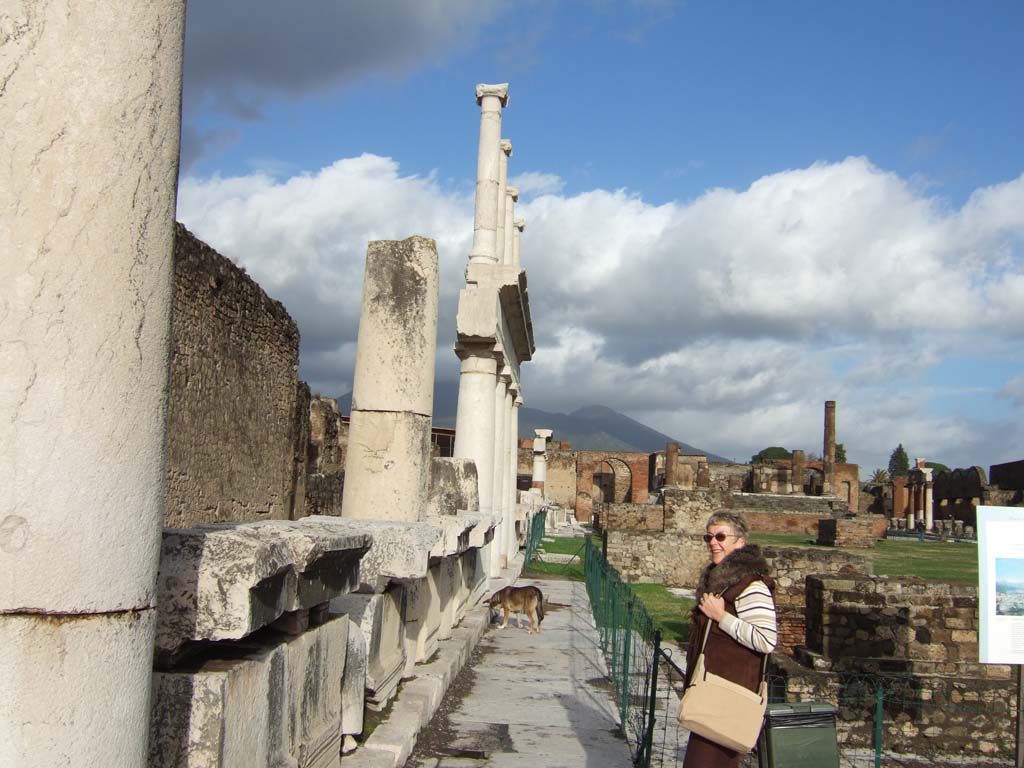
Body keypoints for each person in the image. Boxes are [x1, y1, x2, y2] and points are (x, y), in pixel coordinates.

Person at [682, 510, 777, 768]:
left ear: (740, 542)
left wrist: (722, 617)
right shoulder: (722, 581)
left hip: (728, 697)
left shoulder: (751, 586)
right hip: (710, 693)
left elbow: (766, 640)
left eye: (721, 536)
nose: (713, 542)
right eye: (709, 537)